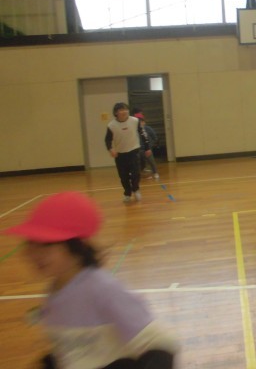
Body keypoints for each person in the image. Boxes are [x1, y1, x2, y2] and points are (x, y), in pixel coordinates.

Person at [3, 191, 179, 369]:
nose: (35, 253)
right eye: (31, 243)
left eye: (47, 244)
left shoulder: (103, 289)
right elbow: (77, 349)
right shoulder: (56, 289)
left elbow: (161, 346)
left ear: (77, 246)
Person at [105, 103, 151, 202]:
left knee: (136, 173)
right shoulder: (111, 125)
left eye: (125, 109)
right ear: (116, 113)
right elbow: (107, 140)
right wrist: (111, 149)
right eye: (121, 110)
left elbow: (143, 134)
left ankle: (136, 189)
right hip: (120, 154)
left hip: (134, 151)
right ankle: (127, 193)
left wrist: (147, 148)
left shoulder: (135, 121)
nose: (124, 112)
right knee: (123, 176)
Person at [134, 113, 160, 180]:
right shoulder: (134, 131)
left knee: (151, 161)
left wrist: (150, 146)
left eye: (141, 121)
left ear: (144, 122)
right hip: (137, 150)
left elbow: (155, 138)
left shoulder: (148, 129)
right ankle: (138, 174)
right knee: (137, 163)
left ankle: (155, 173)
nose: (140, 123)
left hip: (146, 149)